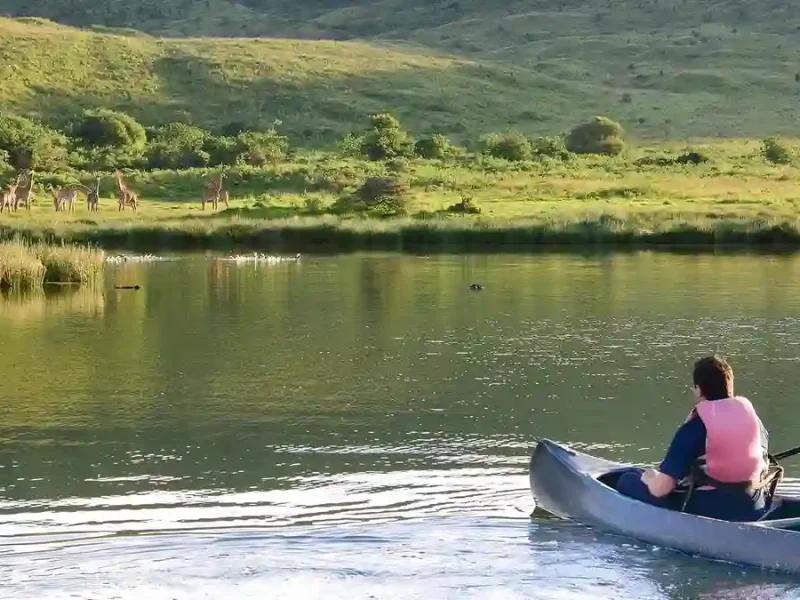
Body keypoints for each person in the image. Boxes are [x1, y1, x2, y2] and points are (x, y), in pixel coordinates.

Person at [616, 355, 772, 521]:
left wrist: (648, 476)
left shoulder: (697, 426)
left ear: (699, 390)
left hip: (715, 508)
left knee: (628, 479)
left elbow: (660, 489)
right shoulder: (752, 417)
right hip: (754, 503)